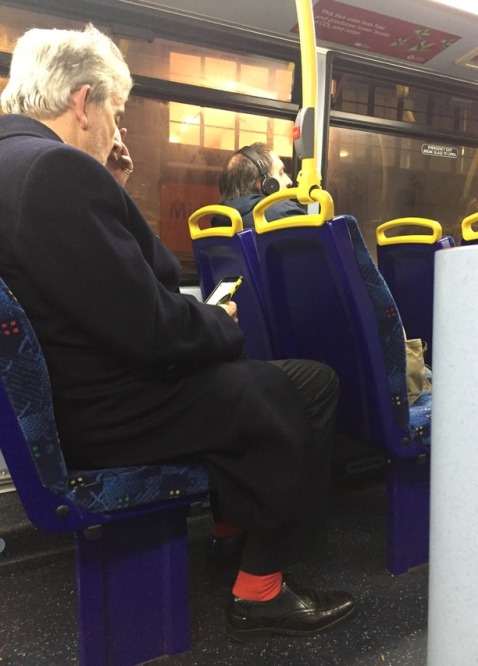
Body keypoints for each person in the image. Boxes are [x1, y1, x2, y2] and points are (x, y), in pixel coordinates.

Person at [0, 25, 355, 640]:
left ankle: (228, 532)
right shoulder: (54, 171)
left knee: (254, 385)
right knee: (305, 385)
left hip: (70, 393)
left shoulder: (17, 163)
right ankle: (260, 589)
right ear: (84, 102)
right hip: (108, 409)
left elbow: (120, 283)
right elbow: (151, 327)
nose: (117, 127)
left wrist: (109, 182)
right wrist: (218, 322)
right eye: (116, 110)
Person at [212, 142, 307, 228]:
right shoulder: (286, 214)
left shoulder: (218, 222)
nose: (289, 181)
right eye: (281, 173)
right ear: (265, 184)